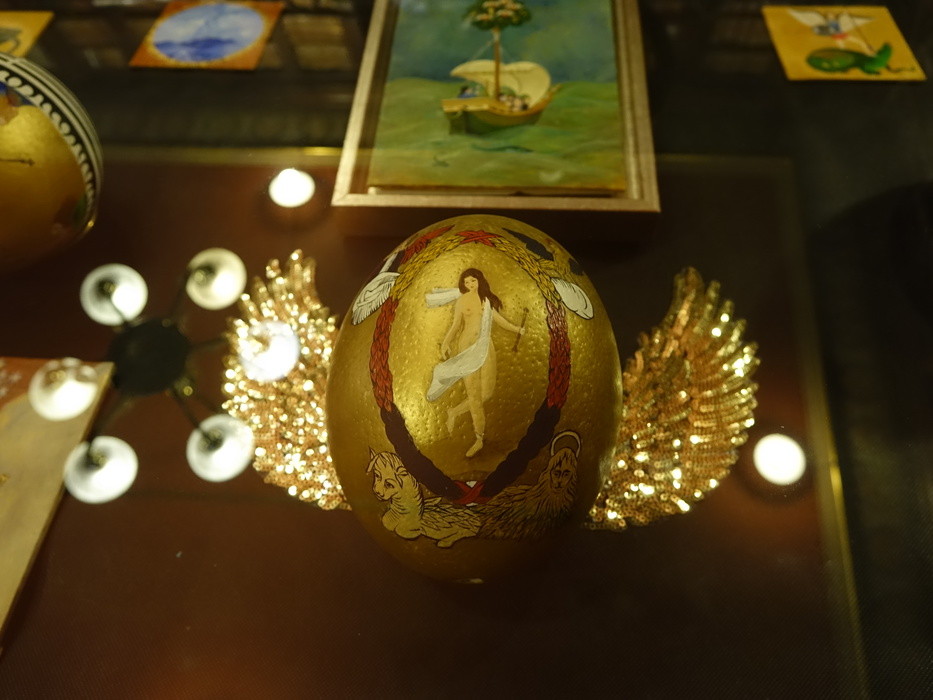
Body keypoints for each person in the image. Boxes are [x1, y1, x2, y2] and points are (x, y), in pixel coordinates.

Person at [426, 268, 524, 457]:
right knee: (474, 395)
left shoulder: (486, 301)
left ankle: (454, 412)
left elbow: (499, 320)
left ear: (479, 281)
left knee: (486, 392)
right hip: (467, 348)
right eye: (467, 282)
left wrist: (517, 329)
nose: (470, 284)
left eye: (473, 281)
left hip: (486, 347)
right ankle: (479, 438)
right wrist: (446, 343)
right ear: (463, 284)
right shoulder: (462, 301)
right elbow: (456, 325)